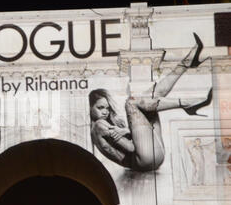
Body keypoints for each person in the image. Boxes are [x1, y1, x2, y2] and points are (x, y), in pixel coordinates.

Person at [89, 33, 212, 171]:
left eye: (107, 108)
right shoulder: (99, 125)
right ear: (90, 108)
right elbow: (131, 147)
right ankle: (187, 103)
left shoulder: (100, 126)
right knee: (131, 103)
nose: (105, 111)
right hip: (142, 160)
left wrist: (122, 131)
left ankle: (187, 64)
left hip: (151, 157)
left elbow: (130, 143)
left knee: (150, 98)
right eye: (100, 108)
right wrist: (122, 131)